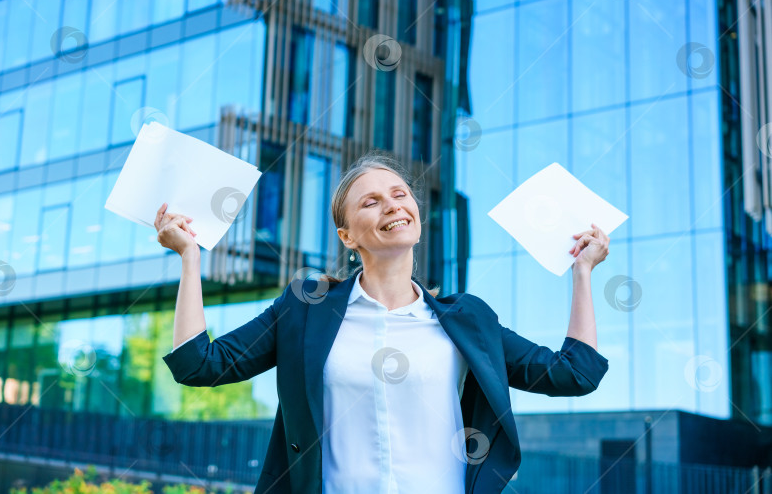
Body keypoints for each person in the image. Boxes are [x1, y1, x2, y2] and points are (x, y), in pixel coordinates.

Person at [156, 150, 610, 494]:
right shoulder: (305, 308)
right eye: (371, 202)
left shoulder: (467, 319)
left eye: (399, 195)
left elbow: (576, 373)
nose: (392, 206)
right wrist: (189, 258)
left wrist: (582, 274)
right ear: (348, 236)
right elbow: (200, 364)